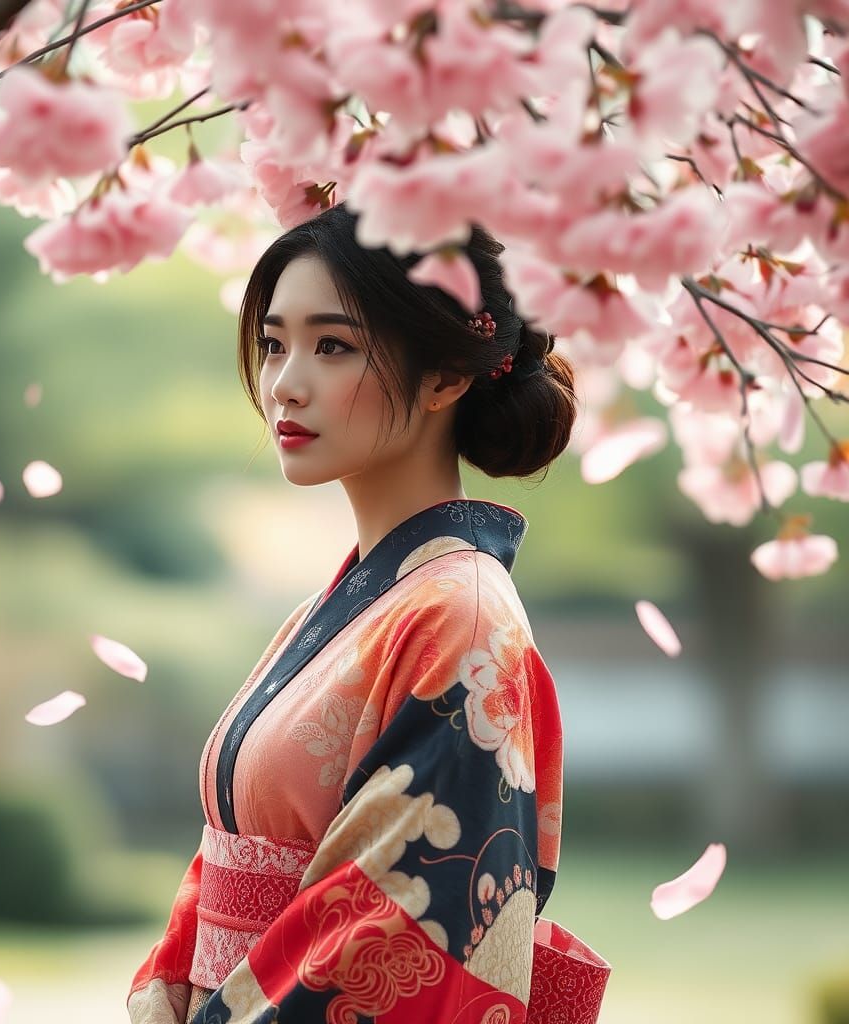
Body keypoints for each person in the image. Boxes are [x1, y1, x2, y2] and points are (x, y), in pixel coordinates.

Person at [126, 202, 612, 1023]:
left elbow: (400, 921)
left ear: (444, 378)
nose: (285, 383)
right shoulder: (356, 604)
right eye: (274, 344)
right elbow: (223, 875)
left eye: (333, 346)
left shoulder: (459, 619)